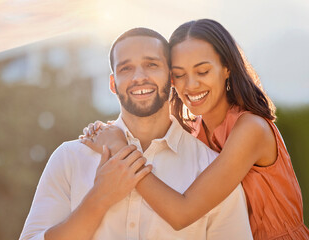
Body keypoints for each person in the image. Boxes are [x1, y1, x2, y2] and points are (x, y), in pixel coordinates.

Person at [81, 19, 309, 239]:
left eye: (202, 72)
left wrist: (121, 151)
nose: (190, 85)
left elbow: (182, 213)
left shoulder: (251, 128)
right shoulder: (194, 129)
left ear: (227, 68)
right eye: (179, 75)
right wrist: (111, 131)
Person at [19, 27, 253, 240]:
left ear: (171, 77)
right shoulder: (69, 158)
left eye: (151, 65)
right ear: (113, 83)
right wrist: (99, 198)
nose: (138, 77)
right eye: (126, 68)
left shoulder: (211, 170)